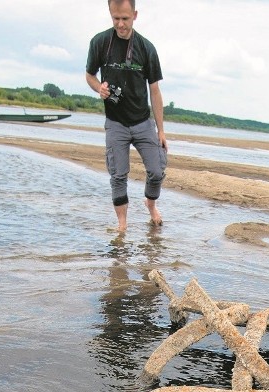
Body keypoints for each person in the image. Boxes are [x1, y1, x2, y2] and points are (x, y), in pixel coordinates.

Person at [86, 0, 167, 232]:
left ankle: (150, 204)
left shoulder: (146, 48)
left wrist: (160, 131)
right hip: (115, 122)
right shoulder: (100, 42)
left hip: (142, 121)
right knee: (118, 175)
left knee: (157, 170)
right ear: (110, 15)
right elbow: (89, 75)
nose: (120, 24)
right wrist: (97, 87)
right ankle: (122, 226)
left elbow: (155, 90)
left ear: (135, 15)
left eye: (125, 19)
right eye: (116, 19)